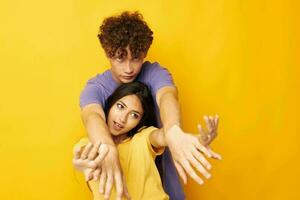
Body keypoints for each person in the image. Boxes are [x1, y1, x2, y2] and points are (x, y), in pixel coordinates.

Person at [79, 11, 221, 200]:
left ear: (144, 53)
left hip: (166, 187)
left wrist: (173, 131)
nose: (129, 68)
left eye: (136, 58)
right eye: (120, 58)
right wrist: (107, 148)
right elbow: (92, 116)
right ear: (108, 53)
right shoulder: (95, 88)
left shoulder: (155, 73)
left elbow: (167, 96)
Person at [74, 82, 219, 200]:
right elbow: (83, 161)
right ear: (110, 105)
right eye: (120, 106)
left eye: (134, 115)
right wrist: (85, 166)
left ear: (139, 121)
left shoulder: (142, 137)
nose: (122, 119)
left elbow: (164, 136)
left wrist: (199, 140)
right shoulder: (87, 145)